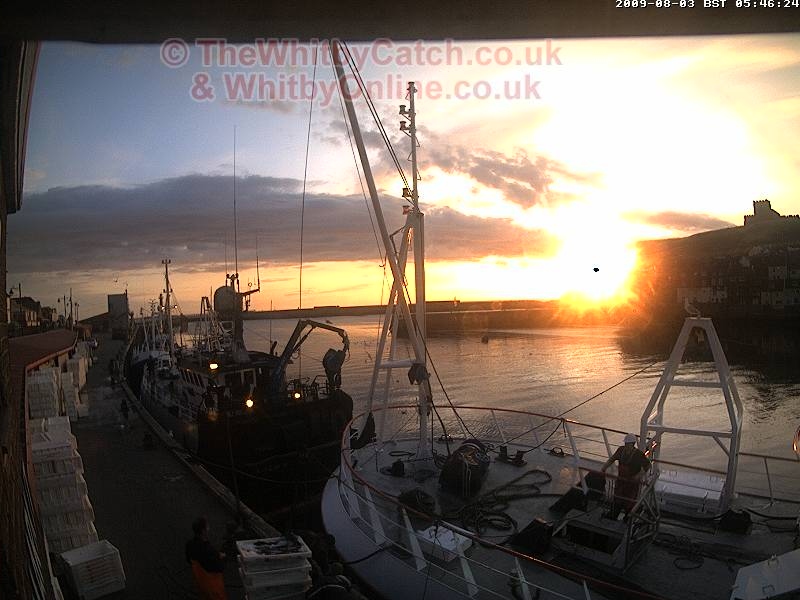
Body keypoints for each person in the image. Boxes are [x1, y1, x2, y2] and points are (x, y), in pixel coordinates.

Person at [601, 433, 651, 517]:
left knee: (629, 501)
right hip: (621, 480)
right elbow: (611, 459)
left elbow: (648, 466)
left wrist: (638, 476)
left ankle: (628, 518)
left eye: (628, 444)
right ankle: (613, 515)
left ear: (633, 444)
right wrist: (604, 468)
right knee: (617, 498)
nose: (626, 445)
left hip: (632, 483)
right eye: (626, 443)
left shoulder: (638, 454)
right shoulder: (620, 450)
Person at [185, 516, 227, 600]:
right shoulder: (208, 549)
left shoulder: (189, 544)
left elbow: (189, 560)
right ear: (203, 531)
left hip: (200, 583)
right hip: (212, 587)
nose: (208, 527)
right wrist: (222, 557)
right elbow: (219, 567)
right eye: (207, 526)